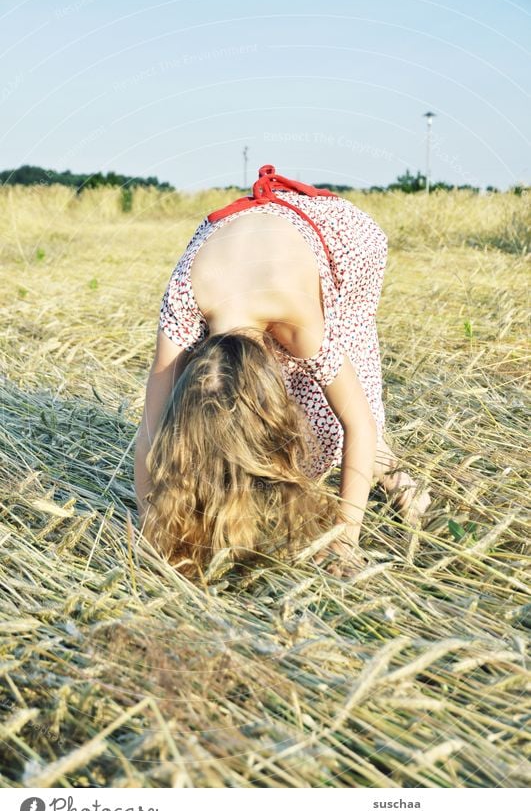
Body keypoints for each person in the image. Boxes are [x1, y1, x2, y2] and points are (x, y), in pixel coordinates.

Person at [134, 164, 431, 579]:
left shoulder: (301, 322)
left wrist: (344, 541)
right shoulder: (186, 298)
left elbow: (356, 424)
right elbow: (150, 429)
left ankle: (393, 474)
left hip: (341, 240)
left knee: (328, 425)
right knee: (219, 433)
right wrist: (153, 524)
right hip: (244, 246)